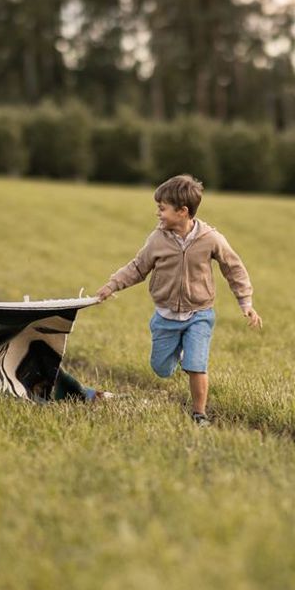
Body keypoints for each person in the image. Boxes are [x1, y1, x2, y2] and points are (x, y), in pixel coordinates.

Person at [95, 174, 262, 425]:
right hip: (165, 316)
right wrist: (111, 285)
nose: (158, 213)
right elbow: (138, 267)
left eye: (162, 208)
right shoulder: (157, 239)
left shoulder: (210, 239)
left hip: (199, 314)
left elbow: (234, 268)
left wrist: (246, 302)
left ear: (182, 211)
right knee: (161, 369)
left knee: (197, 366)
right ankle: (179, 354)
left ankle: (199, 413)